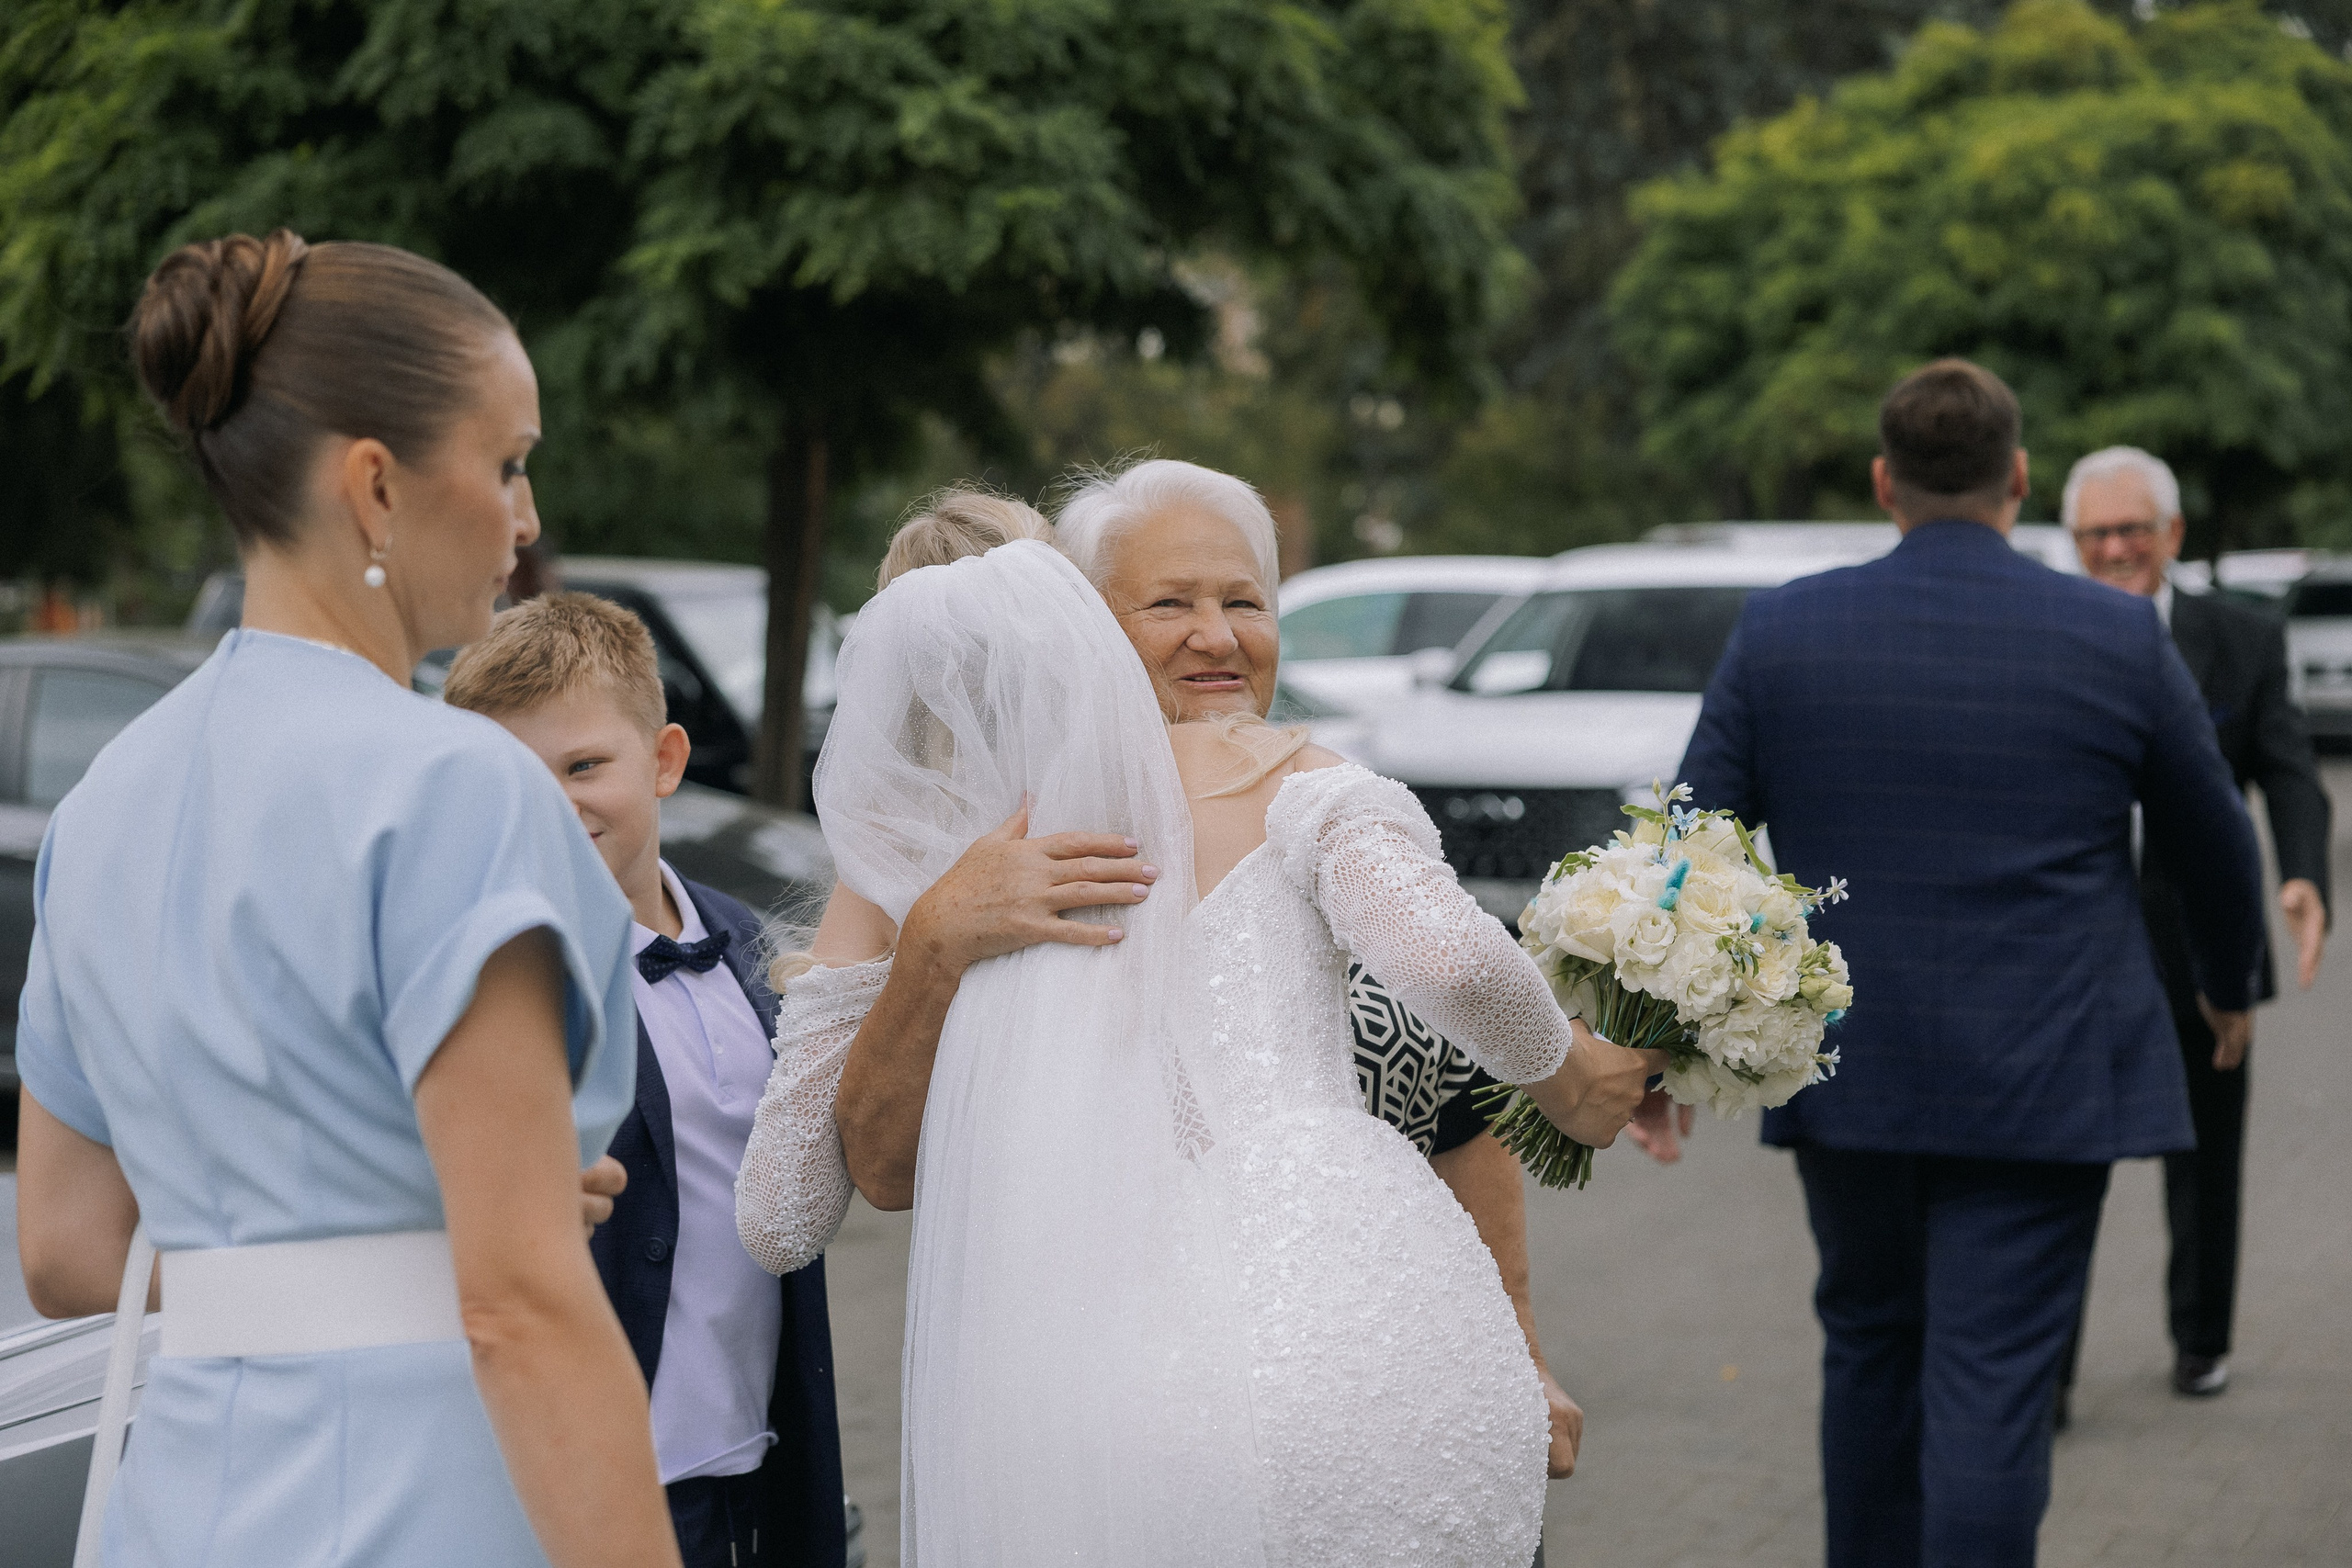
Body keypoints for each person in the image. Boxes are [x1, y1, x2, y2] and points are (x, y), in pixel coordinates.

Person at [12, 231, 678, 1566]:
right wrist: (466, 1231)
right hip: (418, 1500)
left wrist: (335, 1242)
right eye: (508, 464)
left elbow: (68, 1246)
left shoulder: (101, 806)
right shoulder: (457, 785)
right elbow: (522, 1307)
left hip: (180, 1506)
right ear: (376, 485)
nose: (526, 521)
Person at [736, 476, 1592, 1488]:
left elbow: (1461, 1106)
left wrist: (1523, 1348)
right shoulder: (914, 863)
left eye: (1241, 602)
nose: (1211, 638)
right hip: (1111, 1381)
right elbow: (808, 1206)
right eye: (1164, 605)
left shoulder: (1298, 798)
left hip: (1356, 1344)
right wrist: (932, 936)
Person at [1676, 360, 2267, 1568]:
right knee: (1995, 1378)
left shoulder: (1782, 629)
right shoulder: (2113, 632)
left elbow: (1692, 851)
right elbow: (2215, 840)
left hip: (1849, 1068)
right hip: (2044, 1075)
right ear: (2021, 478)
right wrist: (2223, 984)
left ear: (1882, 482)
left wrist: (1657, 1042)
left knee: (1869, 1344)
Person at [446, 592, 846, 1567]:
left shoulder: (745, 940)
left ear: (664, 761)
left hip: (758, 1456)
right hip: (603, 1480)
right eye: (514, 777)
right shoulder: (498, 979)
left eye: (584, 766)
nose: (555, 803)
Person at [2058, 446, 2332, 1404]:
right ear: (2072, 541)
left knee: (2207, 1163)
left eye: (2133, 529)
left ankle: (2201, 1343)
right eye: (2096, 533)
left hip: (2203, 950)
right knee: (2054, 1173)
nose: (2115, 548)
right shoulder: (2044, 633)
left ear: (2171, 533)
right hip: (2072, 957)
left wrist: (2303, 873)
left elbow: (2289, 771)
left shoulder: (2239, 639)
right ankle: (2043, 1376)